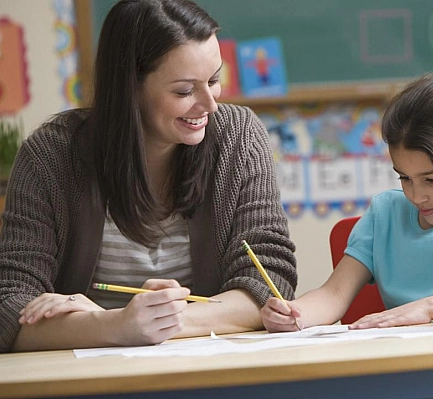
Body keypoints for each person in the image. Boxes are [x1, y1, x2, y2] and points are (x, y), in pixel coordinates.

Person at [0, 0, 297, 353]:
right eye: (185, 91)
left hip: (209, 370)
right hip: (86, 378)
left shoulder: (240, 137)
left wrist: (147, 324)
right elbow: (10, 309)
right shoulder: (52, 154)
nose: (210, 104)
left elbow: (268, 283)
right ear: (130, 88)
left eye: (214, 80)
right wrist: (115, 326)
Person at [261, 73, 433, 333]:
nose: (416, 195)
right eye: (404, 178)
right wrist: (296, 313)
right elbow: (333, 294)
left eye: (432, 180)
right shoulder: (385, 215)